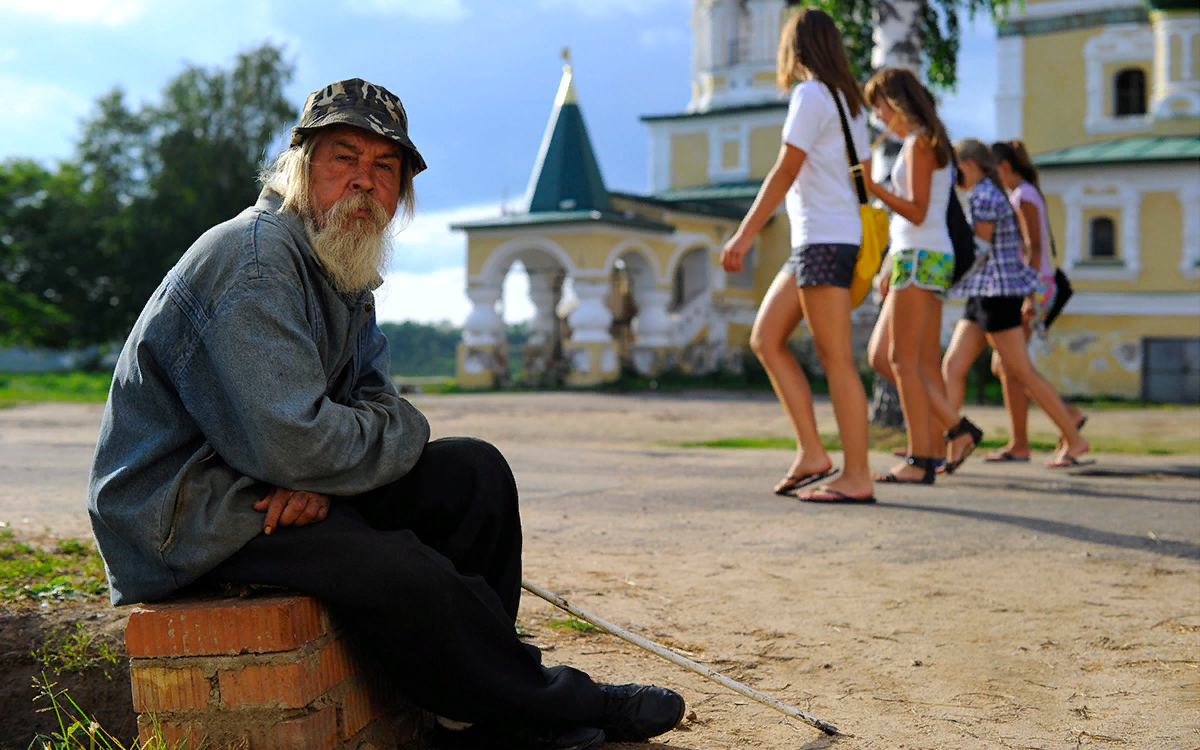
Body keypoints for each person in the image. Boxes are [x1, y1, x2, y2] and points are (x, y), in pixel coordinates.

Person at [86, 79, 684, 750]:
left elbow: (377, 411)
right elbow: (298, 444)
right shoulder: (255, 260)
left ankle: (471, 713)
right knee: (397, 567)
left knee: (473, 477)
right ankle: (550, 704)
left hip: (267, 486)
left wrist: (328, 465)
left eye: (385, 168)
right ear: (302, 166)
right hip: (184, 515)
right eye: (345, 158)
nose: (364, 183)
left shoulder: (343, 268)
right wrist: (321, 461)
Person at [720, 8, 875, 504]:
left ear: (795, 48)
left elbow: (786, 171)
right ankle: (813, 453)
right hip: (826, 239)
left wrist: (744, 235)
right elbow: (865, 178)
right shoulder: (850, 104)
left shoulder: (810, 96)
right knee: (767, 338)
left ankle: (857, 476)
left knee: (836, 360)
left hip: (823, 240)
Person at [862, 68, 983, 483]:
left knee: (900, 361)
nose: (876, 114)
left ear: (897, 102)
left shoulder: (919, 145)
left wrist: (871, 186)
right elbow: (922, 215)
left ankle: (931, 451)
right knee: (907, 361)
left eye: (879, 104)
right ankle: (938, 443)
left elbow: (914, 210)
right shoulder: (929, 143)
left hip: (920, 258)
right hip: (921, 257)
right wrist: (887, 263)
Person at [940, 138, 1090, 469]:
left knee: (1020, 372)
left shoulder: (985, 195)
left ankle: (1075, 438)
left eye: (954, 165)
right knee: (953, 367)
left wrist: (942, 277)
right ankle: (951, 447)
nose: (951, 172)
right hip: (983, 293)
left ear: (968, 163)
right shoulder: (990, 193)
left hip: (1000, 294)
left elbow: (978, 250)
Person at [983, 140, 1086, 462]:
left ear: (1003, 167)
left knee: (1012, 365)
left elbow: (1034, 246)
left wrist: (1028, 293)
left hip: (1031, 286)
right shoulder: (1024, 193)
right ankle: (1024, 441)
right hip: (1030, 284)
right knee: (1007, 366)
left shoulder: (1022, 194)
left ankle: (1065, 422)